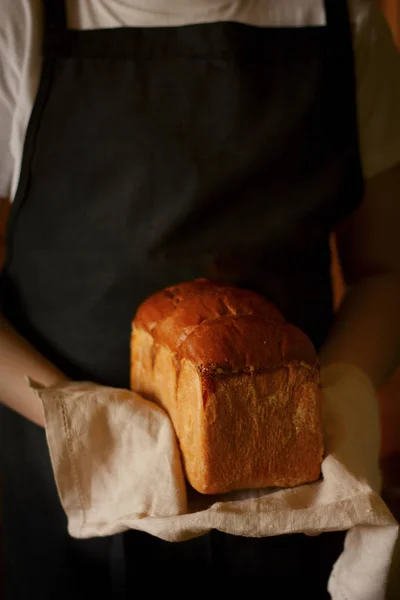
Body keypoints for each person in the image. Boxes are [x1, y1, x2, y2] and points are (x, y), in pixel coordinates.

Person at [0, 0, 400, 597]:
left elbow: (385, 271)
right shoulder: (20, 20)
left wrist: (333, 397)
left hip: (287, 508)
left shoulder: (342, 18)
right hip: (67, 496)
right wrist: (76, 414)